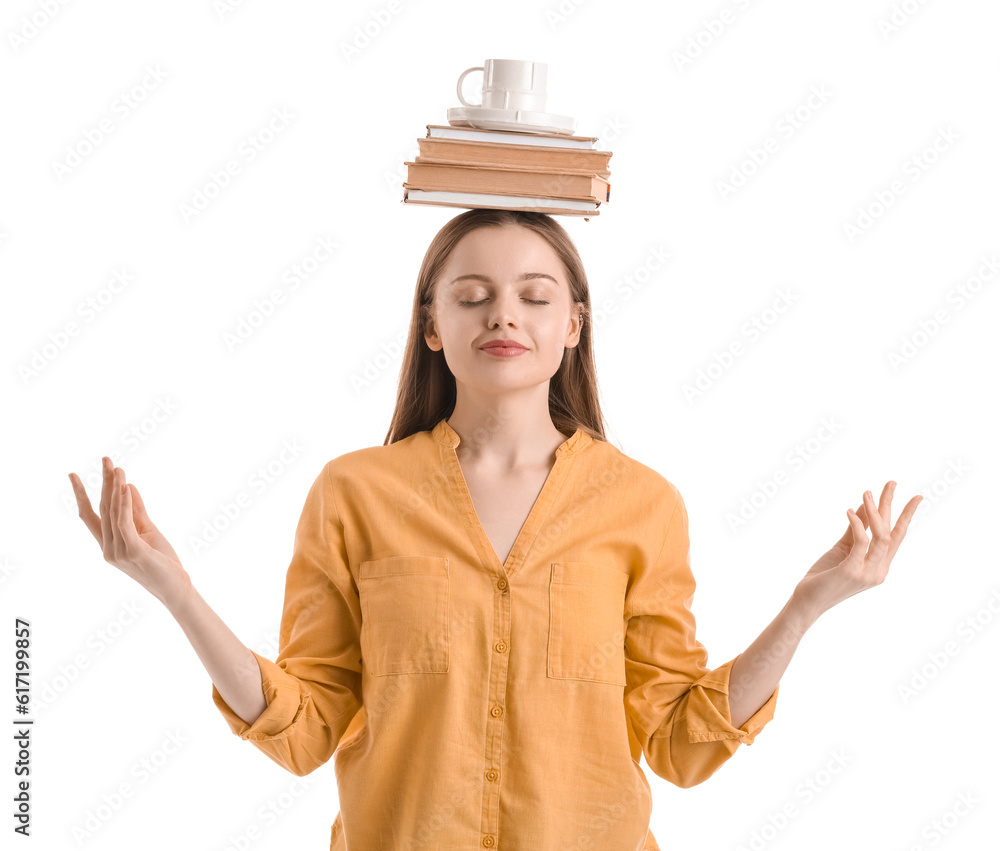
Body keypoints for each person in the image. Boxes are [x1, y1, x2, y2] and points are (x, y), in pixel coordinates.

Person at [68, 209, 922, 850]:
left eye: (534, 297)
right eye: (472, 296)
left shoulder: (643, 505)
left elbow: (678, 741)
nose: (503, 316)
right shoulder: (354, 493)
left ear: (572, 327)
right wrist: (174, 591)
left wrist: (807, 608)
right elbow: (306, 727)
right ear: (434, 325)